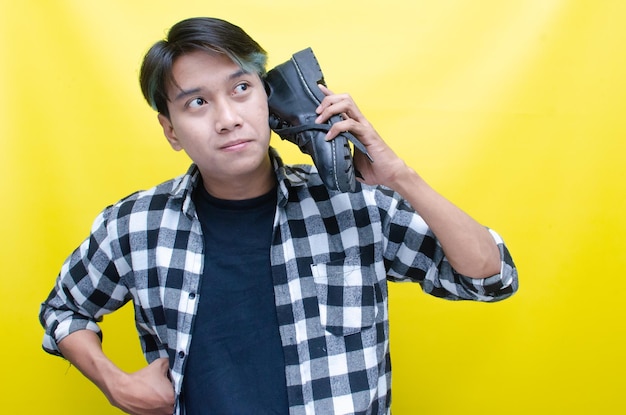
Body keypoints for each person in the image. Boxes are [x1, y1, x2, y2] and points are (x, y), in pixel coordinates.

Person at [39, 17, 518, 415]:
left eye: (242, 88)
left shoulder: (355, 204)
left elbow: (490, 278)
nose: (227, 117)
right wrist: (114, 382)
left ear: (270, 99)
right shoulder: (135, 227)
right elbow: (63, 310)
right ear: (171, 130)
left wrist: (399, 175)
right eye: (198, 102)